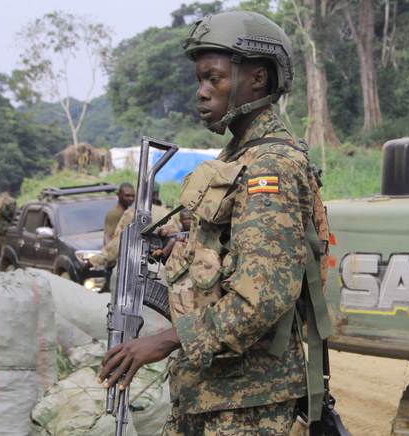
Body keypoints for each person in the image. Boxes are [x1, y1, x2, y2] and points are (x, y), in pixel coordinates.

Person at [99, 11, 332, 435]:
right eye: (199, 81)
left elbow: (263, 297)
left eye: (214, 79)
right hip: (215, 395)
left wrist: (166, 340)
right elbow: (233, 250)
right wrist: (187, 251)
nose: (202, 93)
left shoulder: (270, 168)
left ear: (257, 79)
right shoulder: (234, 159)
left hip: (247, 406)